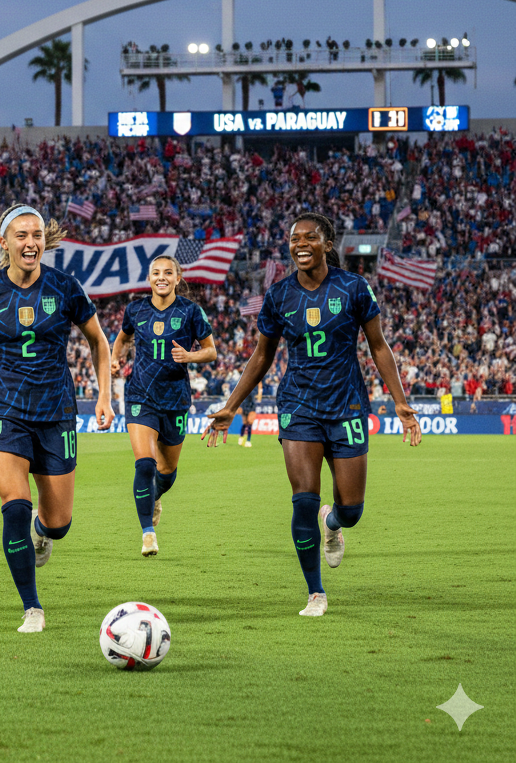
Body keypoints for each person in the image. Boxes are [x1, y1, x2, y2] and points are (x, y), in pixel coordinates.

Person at [203, 212, 420, 617]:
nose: (299, 243)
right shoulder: (279, 295)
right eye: (293, 238)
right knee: (303, 500)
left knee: (352, 511)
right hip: (299, 405)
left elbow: (379, 346)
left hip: (347, 405)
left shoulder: (354, 287)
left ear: (327, 244)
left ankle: (333, 523)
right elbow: (262, 356)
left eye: (309, 237)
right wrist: (231, 405)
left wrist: (401, 401)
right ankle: (315, 593)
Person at [0, 203, 114, 633]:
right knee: (14, 506)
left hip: (56, 411)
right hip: (4, 410)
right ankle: (32, 607)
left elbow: (99, 342)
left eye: (36, 236)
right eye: (22, 236)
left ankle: (43, 532)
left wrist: (105, 396)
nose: (30, 243)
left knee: (59, 522)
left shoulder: (66, 287)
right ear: (5, 242)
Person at [110, 255, 216, 557]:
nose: (161, 277)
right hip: (141, 397)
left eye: (168, 272)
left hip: (176, 399)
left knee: (167, 471)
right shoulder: (136, 310)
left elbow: (211, 352)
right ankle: (147, 533)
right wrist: (116, 360)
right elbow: (121, 340)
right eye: (156, 272)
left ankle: (154, 498)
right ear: (149, 278)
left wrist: (190, 356)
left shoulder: (190, 311)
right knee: (145, 463)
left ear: (177, 278)